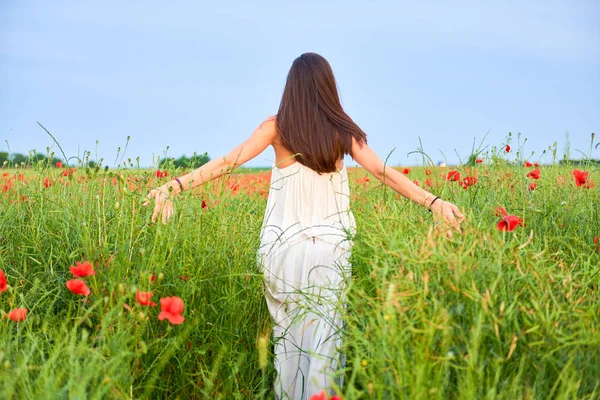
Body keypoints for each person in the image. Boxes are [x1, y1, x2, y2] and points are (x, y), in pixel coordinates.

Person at [144, 52, 465, 399]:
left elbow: (227, 162)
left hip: (284, 250)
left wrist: (171, 186)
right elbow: (383, 172)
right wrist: (433, 202)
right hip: (330, 251)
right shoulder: (343, 131)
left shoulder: (276, 127)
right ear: (328, 87)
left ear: (291, 87)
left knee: (288, 341)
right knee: (327, 341)